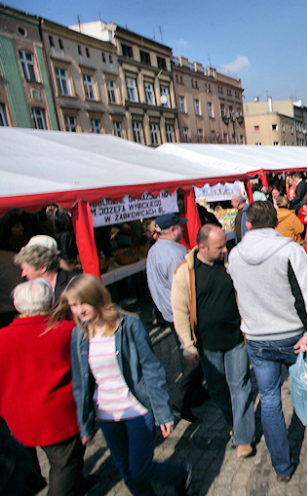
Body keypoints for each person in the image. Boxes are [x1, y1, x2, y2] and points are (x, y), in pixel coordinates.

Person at [60, 274, 192, 496]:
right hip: (107, 415)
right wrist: (85, 424)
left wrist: (162, 412)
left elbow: (151, 368)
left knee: (140, 468)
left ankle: (180, 474)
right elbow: (81, 384)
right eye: (73, 305)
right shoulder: (79, 334)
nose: (79, 310)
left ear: (96, 297)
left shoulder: (129, 325)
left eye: (82, 302)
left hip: (136, 409)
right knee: (127, 471)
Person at [227, 200, 307, 482]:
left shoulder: (234, 255)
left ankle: (282, 465)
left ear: (247, 225)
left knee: (269, 400)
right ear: (276, 222)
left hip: (257, 337)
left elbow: (240, 292)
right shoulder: (290, 250)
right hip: (290, 333)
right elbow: (306, 294)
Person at [170, 225, 256, 459]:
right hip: (207, 346)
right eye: (219, 247)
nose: (224, 249)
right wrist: (187, 345)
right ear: (202, 247)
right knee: (218, 390)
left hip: (235, 339)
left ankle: (243, 437)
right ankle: (233, 421)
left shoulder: (229, 264)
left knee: (241, 387)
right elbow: (179, 311)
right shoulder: (185, 272)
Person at [0, 279, 84, 496]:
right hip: (58, 417)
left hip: (16, 418)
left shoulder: (2, 338)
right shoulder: (67, 330)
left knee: (26, 467)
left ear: (17, 306)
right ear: (52, 302)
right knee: (64, 467)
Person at [146, 212, 205, 423]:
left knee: (188, 354)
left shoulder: (156, 250)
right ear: (172, 230)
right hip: (181, 312)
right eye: (179, 226)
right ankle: (181, 399)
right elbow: (182, 285)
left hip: (169, 311)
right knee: (193, 356)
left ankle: (195, 393)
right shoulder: (172, 253)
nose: (182, 228)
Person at [14, 235, 79, 301]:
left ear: (42, 268)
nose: (23, 274)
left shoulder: (74, 283)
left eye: (25, 269)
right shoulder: (32, 289)